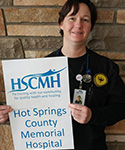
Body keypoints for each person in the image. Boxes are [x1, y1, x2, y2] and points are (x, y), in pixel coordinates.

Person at [0, 0, 125, 149]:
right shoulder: (39, 69)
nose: (78, 24)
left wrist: (93, 115)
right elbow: (28, 110)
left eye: (85, 20)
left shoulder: (106, 67)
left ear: (91, 26)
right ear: (61, 23)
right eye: (72, 18)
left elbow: (121, 108)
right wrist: (9, 115)